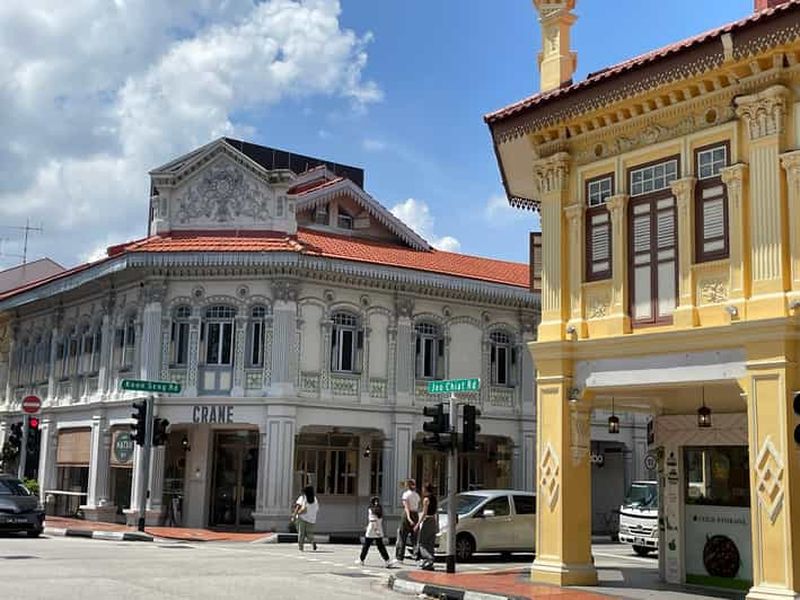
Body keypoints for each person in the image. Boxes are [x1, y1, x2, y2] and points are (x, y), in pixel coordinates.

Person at [355, 496, 397, 568]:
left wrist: (375, 530)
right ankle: (387, 561)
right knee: (380, 547)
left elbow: (373, 521)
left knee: (366, 546)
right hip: (378, 531)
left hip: (372, 531)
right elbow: (376, 521)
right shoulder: (379, 510)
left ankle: (361, 560)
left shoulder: (371, 509)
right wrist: (377, 530)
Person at [395, 478, 420, 561]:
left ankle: (399, 556)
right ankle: (416, 555)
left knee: (402, 536)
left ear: (408, 486)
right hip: (415, 514)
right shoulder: (417, 495)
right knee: (415, 537)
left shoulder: (406, 495)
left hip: (407, 515)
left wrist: (409, 518)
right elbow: (418, 506)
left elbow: (406, 507)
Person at [414, 483, 438, 571]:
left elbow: (424, 513)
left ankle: (429, 558)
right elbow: (436, 511)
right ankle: (429, 564)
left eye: (423, 489)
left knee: (422, 543)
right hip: (433, 521)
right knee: (430, 543)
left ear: (426, 489)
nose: (422, 491)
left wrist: (417, 524)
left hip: (427, 521)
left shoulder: (426, 500)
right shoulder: (434, 498)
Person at [292, 485, 319, 552]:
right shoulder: (315, 499)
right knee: (309, 533)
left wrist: (295, 515)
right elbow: (317, 509)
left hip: (302, 518)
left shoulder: (303, 497)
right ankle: (312, 541)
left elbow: (298, 507)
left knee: (301, 533)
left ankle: (301, 547)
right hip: (312, 519)